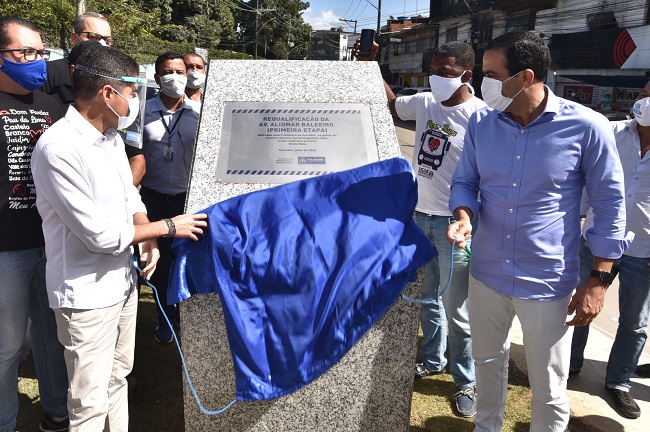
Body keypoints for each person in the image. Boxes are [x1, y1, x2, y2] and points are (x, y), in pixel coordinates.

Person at [447, 31, 632, 432]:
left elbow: (610, 206)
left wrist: (599, 280)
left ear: (526, 76)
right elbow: (465, 182)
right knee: (488, 365)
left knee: (548, 385)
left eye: (492, 74)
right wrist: (463, 215)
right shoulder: (482, 124)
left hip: (547, 282)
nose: (481, 83)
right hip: (486, 274)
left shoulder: (588, 128)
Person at [31, 44, 207, 431]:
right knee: (89, 401)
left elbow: (130, 195)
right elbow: (100, 236)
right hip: (86, 295)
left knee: (117, 379)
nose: (134, 103)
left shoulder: (109, 136)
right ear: (107, 94)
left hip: (121, 284)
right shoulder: (59, 148)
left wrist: (145, 233)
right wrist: (168, 226)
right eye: (131, 94)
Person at [356, 40, 484, 417]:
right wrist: (372, 65)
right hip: (419, 217)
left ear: (466, 74)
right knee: (427, 298)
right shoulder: (425, 102)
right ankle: (432, 359)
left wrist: (469, 220)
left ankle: (467, 380)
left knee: (456, 308)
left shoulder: (480, 118)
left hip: (452, 226)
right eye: (434, 70)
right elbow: (392, 102)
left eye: (446, 72)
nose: (437, 78)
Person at [0, 16, 70, 432]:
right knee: (7, 345)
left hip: (53, 243)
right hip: (6, 250)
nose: (38, 61)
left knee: (52, 335)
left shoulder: (52, 106)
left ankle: (57, 412)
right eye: (26, 52)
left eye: (42, 52)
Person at [570, 81, 650, 419]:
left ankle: (618, 382)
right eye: (647, 93)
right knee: (578, 305)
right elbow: (585, 178)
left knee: (634, 322)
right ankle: (567, 366)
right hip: (595, 240)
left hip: (644, 251)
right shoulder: (611, 132)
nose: (648, 101)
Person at [140, 51, 201, 343]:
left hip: (188, 199)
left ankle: (190, 318)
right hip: (153, 198)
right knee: (159, 262)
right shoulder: (142, 113)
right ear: (157, 78)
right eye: (168, 72)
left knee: (187, 261)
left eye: (180, 72)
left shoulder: (199, 113)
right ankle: (165, 317)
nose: (175, 78)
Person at [41, 11, 112, 110]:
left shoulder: (111, 78)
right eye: (93, 37)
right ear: (74, 37)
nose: (101, 44)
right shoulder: (48, 72)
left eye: (107, 40)